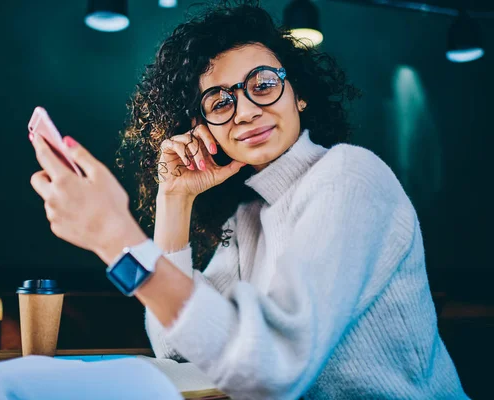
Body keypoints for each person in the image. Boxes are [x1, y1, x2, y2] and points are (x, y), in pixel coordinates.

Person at [29, 2, 467, 399]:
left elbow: (273, 373)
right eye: (220, 102)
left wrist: (114, 237)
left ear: (300, 93)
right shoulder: (249, 216)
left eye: (262, 84)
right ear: (204, 128)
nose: (245, 111)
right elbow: (174, 347)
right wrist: (173, 200)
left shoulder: (350, 176)